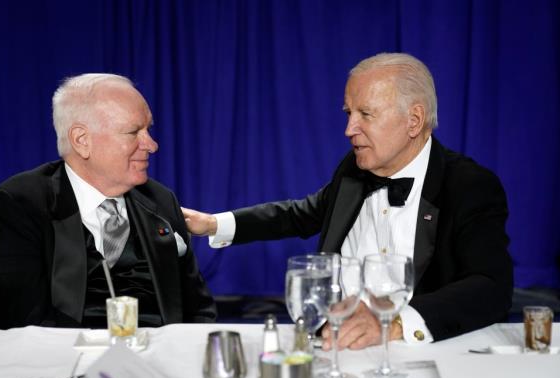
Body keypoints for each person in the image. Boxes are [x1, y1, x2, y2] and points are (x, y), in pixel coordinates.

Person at [182, 53, 513, 349]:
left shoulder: (468, 185)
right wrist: (213, 223)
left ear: (414, 120)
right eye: (349, 113)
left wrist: (396, 326)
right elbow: (300, 214)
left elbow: (490, 286)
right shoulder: (352, 170)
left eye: (365, 114)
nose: (349, 128)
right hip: (336, 349)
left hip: (419, 354)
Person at [0, 73, 216, 329]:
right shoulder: (21, 204)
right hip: (65, 364)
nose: (152, 145)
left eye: (149, 130)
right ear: (82, 141)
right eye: (134, 132)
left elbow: (198, 312)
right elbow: (19, 325)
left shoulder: (161, 200)